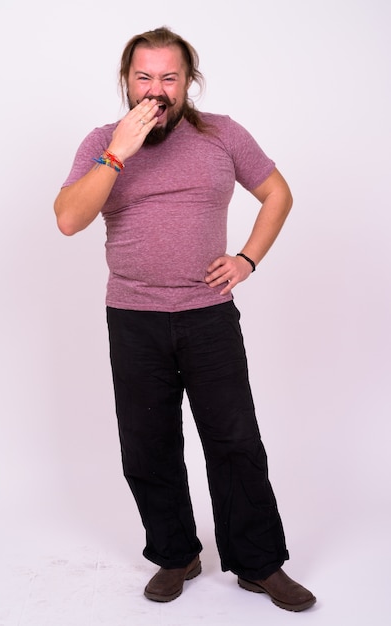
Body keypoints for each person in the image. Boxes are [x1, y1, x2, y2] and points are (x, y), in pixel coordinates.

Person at [54, 26, 316, 612]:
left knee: (234, 439)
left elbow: (278, 194)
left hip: (208, 316)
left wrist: (247, 258)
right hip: (134, 316)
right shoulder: (102, 141)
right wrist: (118, 149)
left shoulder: (222, 134)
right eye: (144, 77)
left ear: (188, 81)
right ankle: (176, 554)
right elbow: (68, 219)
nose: (156, 89)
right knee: (147, 444)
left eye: (169, 77)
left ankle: (258, 564)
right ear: (126, 80)